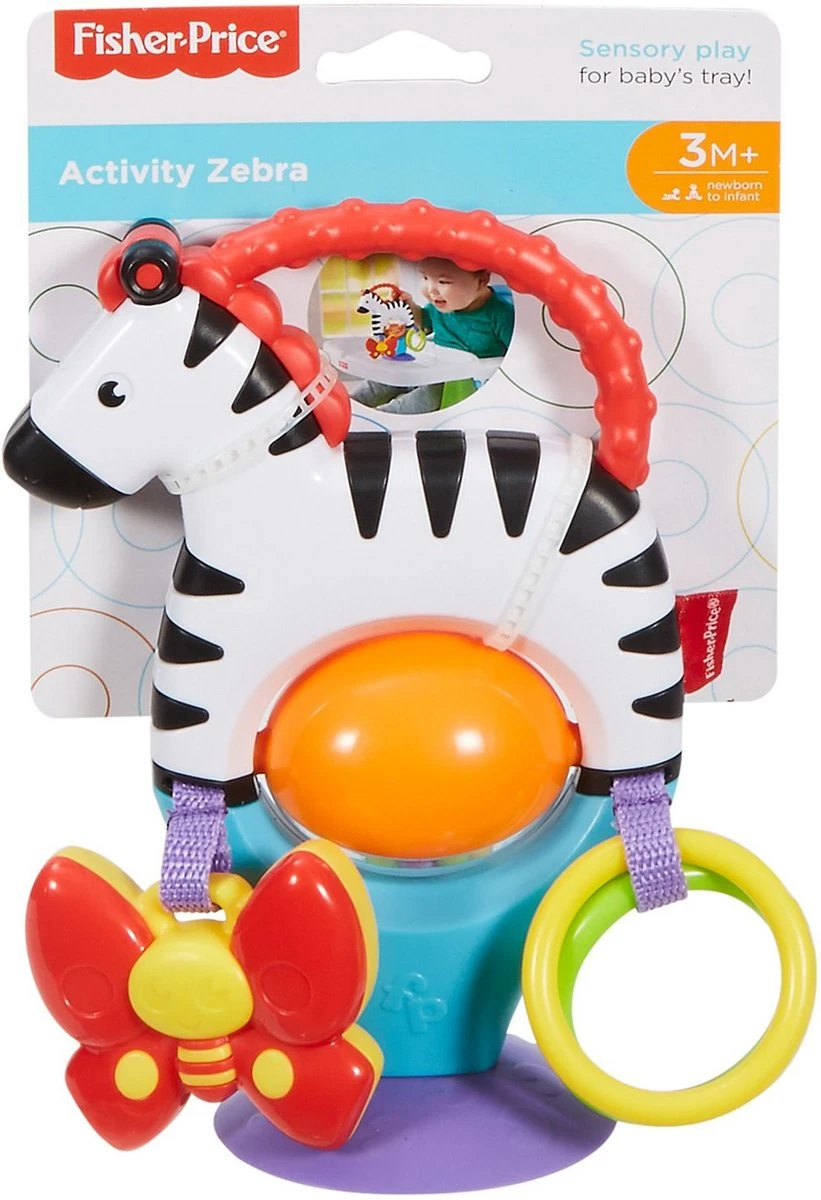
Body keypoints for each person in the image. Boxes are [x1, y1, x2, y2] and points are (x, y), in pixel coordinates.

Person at [353, 258, 514, 414]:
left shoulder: (502, 315)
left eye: (443, 282)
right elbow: (426, 323)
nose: (431, 290)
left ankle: (382, 416)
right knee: (385, 380)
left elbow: (516, 355)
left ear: (482, 281)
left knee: (423, 398)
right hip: (434, 367)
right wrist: (410, 307)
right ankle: (353, 405)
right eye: (425, 278)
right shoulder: (444, 304)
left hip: (460, 382)